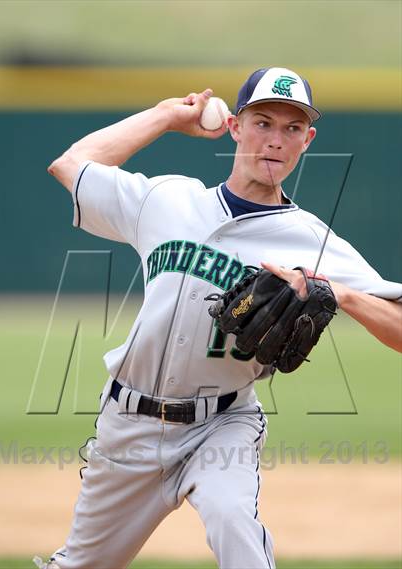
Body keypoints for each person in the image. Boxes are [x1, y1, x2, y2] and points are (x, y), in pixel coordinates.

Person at [36, 67, 402, 569]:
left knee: (236, 530)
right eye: (263, 123)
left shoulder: (312, 241)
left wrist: (341, 294)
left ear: (308, 140)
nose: (275, 140)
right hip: (128, 426)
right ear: (234, 126)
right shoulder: (167, 200)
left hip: (222, 424)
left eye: (292, 128)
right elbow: (71, 165)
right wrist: (165, 116)